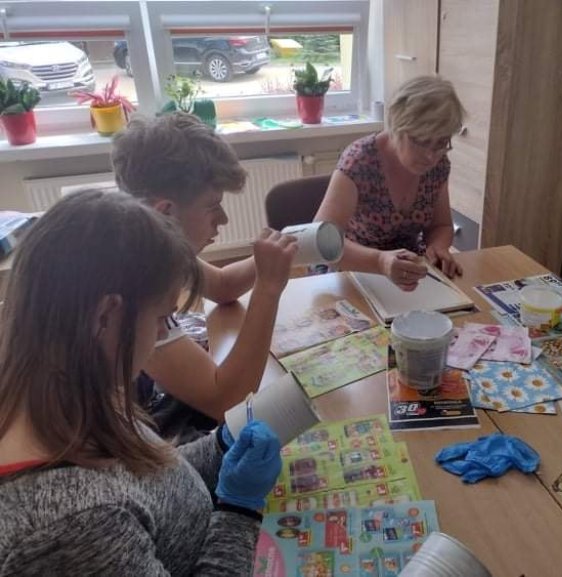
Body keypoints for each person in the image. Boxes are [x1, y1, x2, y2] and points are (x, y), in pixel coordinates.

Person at [0, 190, 282, 575]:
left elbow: (147, 482)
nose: (161, 335)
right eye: (162, 318)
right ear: (105, 316)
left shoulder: (70, 391)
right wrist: (240, 508)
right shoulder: (69, 528)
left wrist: (219, 447)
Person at [111, 113, 298, 437]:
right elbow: (227, 401)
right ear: (166, 212)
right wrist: (268, 288)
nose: (223, 219)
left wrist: (277, 251)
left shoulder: (142, 232)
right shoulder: (134, 279)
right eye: (213, 206)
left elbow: (223, 286)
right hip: (121, 433)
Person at [314, 75, 466, 291]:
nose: (431, 156)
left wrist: (437, 248)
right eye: (422, 141)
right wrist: (379, 262)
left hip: (407, 273)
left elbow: (441, 226)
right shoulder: (360, 161)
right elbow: (321, 242)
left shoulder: (438, 165)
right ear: (397, 127)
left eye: (441, 142)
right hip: (352, 269)